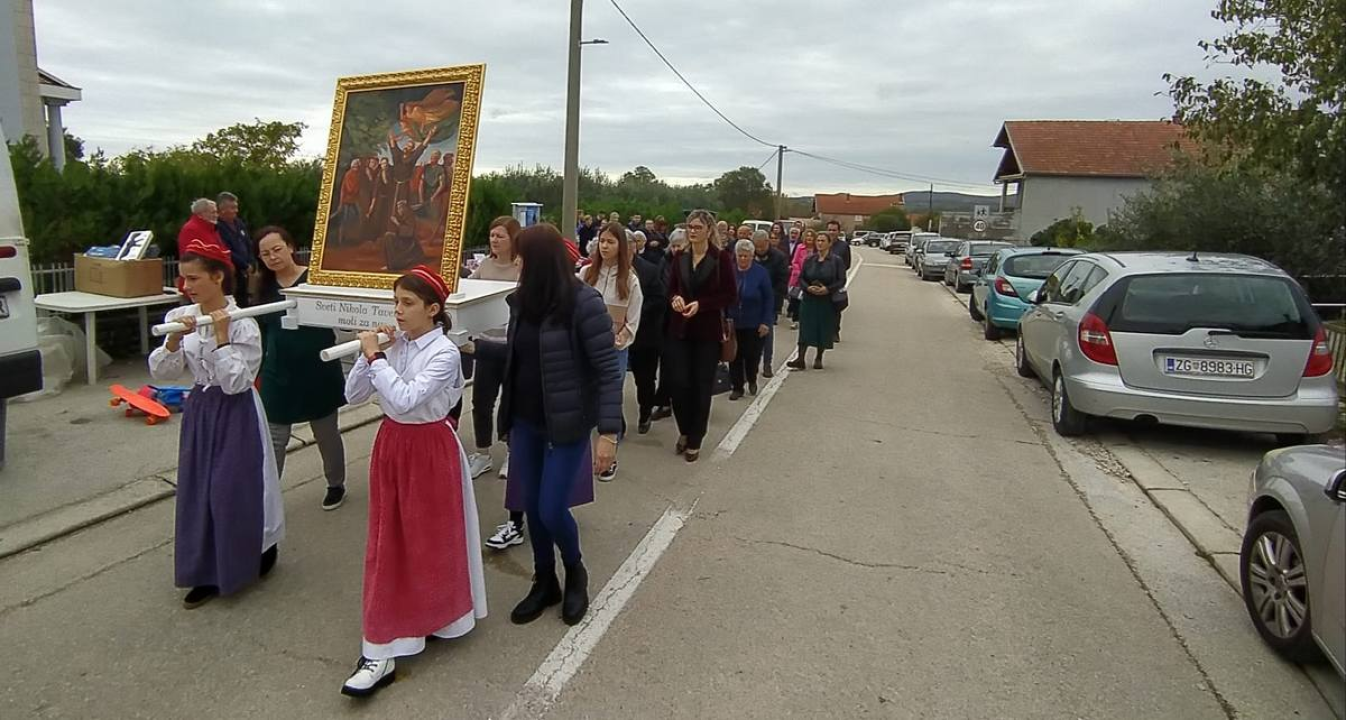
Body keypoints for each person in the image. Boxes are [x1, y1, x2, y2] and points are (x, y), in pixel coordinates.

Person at [340, 266, 486, 698]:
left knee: (431, 540)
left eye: (407, 303)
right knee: (390, 542)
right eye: (396, 302)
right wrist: (372, 355)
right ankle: (382, 643)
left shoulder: (445, 353)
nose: (398, 311)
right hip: (393, 445)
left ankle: (438, 617)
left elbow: (405, 399)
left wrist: (375, 358)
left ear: (433, 309)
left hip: (429, 449)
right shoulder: (396, 345)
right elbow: (353, 397)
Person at [499, 223, 623, 627]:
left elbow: (608, 370)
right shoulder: (521, 302)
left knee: (552, 508)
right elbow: (518, 358)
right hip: (526, 420)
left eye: (523, 257)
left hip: (568, 423)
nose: (517, 263)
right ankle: (544, 580)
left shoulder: (584, 303)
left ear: (541, 261)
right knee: (533, 508)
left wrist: (608, 433)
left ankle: (575, 572)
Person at [149, 239, 284, 609]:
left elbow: (238, 382)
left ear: (217, 276)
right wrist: (175, 337)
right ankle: (205, 568)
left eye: (194, 278)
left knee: (234, 487)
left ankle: (257, 551)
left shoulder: (243, 324)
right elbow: (163, 371)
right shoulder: (181, 317)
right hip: (202, 410)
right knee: (200, 487)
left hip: (237, 410)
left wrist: (222, 339)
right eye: (184, 279)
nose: (187, 286)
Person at [255, 227, 348, 510]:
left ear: (291, 247)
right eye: (265, 253)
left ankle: (336, 483)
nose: (272, 257)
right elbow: (258, 330)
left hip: (318, 368)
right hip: (277, 373)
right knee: (274, 439)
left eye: (277, 249)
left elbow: (341, 314)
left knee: (326, 433)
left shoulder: (316, 278)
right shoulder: (263, 287)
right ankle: (266, 498)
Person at [664, 210, 737, 462]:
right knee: (679, 384)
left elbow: (729, 295)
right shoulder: (680, 257)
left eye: (696, 227)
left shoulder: (721, 259)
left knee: (701, 386)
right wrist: (675, 298)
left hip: (706, 331)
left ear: (709, 230)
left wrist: (701, 305)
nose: (692, 231)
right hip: (680, 329)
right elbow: (671, 286)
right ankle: (684, 429)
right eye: (689, 227)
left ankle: (695, 438)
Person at [579, 222, 642, 481]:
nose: (605, 246)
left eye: (611, 242)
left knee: (610, 401)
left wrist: (618, 340)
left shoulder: (630, 280)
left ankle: (609, 457)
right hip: (585, 348)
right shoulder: (584, 274)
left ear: (621, 246)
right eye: (602, 241)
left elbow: (633, 320)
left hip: (613, 350)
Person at [465, 217, 521, 481]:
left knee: (512, 403)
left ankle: (512, 451)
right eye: (492, 235)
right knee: (481, 402)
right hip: (485, 345)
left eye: (500, 236)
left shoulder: (523, 267)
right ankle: (482, 453)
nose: (494, 240)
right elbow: (469, 291)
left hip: (512, 346)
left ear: (513, 239)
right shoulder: (485, 265)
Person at [788, 231, 846, 371]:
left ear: (829, 243)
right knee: (805, 327)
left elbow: (841, 280)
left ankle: (819, 357)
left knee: (823, 328)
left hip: (826, 300)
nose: (819, 243)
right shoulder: (810, 259)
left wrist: (828, 289)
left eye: (822, 241)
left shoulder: (836, 261)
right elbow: (801, 278)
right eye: (818, 241)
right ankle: (800, 358)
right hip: (809, 298)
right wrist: (808, 288)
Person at [628, 230, 668, 434]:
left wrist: (634, 310)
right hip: (615, 334)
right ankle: (616, 423)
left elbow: (659, 300)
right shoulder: (604, 270)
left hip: (644, 336)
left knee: (643, 379)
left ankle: (645, 412)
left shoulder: (649, 271)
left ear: (633, 247)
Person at [728, 238, 773, 399]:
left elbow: (768, 298)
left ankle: (752, 378)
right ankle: (737, 386)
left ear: (752, 256)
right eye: (740, 256)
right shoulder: (730, 271)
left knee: (752, 355)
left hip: (754, 322)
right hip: (733, 322)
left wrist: (766, 322)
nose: (743, 259)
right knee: (734, 356)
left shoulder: (761, 273)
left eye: (746, 256)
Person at [752, 229, 790, 378]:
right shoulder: (750, 255)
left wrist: (768, 297)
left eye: (762, 246)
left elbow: (782, 282)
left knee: (767, 335)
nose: (759, 250)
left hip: (770, 301)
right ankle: (750, 365)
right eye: (757, 247)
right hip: (750, 301)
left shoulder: (779, 258)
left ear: (768, 242)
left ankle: (767, 363)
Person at [216, 192, 254, 307]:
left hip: (245, 272)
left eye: (236, 207)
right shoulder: (218, 227)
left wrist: (252, 262)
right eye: (232, 208)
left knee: (245, 299)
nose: (236, 210)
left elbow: (248, 243)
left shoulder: (239, 223)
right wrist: (244, 265)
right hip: (233, 272)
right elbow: (226, 250)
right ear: (222, 209)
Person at [825, 219, 852, 342]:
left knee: (836, 307)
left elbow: (847, 264)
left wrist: (837, 273)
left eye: (834, 230)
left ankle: (835, 331)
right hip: (821, 280)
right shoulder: (822, 243)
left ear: (838, 231)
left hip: (836, 281)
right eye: (829, 229)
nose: (831, 232)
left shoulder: (843, 246)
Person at [787, 228, 817, 329]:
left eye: (811, 236)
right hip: (798, 278)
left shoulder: (816, 250)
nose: (809, 238)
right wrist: (799, 272)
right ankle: (795, 320)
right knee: (796, 300)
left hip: (811, 278)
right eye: (807, 236)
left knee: (809, 301)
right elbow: (794, 262)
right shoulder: (800, 247)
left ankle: (807, 320)